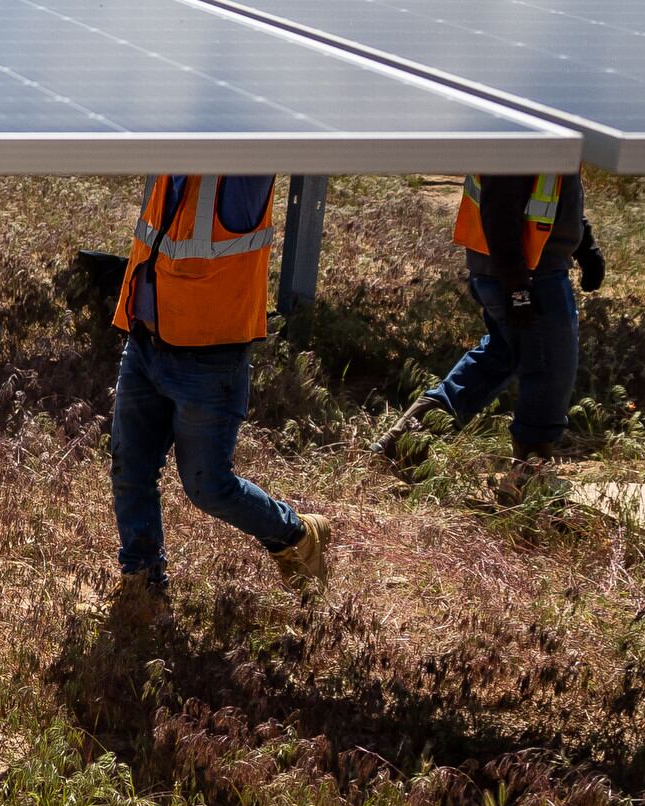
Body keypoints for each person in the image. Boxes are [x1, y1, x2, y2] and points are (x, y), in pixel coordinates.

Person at [106, 175, 327, 624]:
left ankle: (295, 535)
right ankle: (142, 584)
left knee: (208, 487)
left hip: (208, 359)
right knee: (130, 467)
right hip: (146, 341)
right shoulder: (171, 153)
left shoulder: (240, 173)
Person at [378, 173, 601, 486]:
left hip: (523, 268)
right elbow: (499, 207)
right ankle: (529, 481)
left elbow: (553, 188)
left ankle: (404, 443)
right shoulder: (525, 132)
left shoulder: (549, 129)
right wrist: (517, 287)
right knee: (551, 368)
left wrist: (584, 242)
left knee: (500, 356)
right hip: (528, 272)